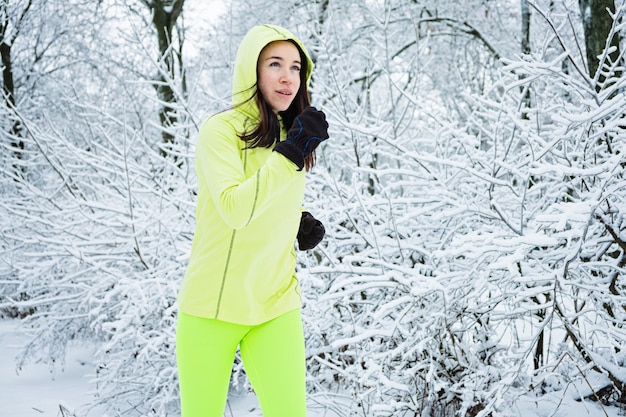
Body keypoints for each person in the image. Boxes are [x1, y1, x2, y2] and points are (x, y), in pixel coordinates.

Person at [176, 24, 329, 417]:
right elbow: (234, 208)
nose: (287, 77)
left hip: (275, 302)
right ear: (251, 70)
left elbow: (268, 191)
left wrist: (295, 220)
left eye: (296, 67)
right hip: (213, 309)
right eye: (274, 64)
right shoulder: (221, 131)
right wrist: (292, 151)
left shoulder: (288, 133)